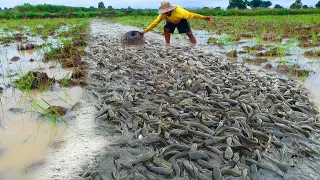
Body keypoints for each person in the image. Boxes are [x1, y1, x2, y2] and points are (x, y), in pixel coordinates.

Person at [140, 1, 212, 47]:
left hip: (181, 20)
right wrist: (145, 31)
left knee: (189, 33)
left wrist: (204, 17)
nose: (166, 12)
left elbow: (192, 15)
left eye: (167, 11)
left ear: (171, 9)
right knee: (166, 29)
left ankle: (194, 45)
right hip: (171, 21)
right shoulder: (163, 14)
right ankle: (167, 45)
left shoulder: (180, 12)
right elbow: (155, 23)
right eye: (164, 11)